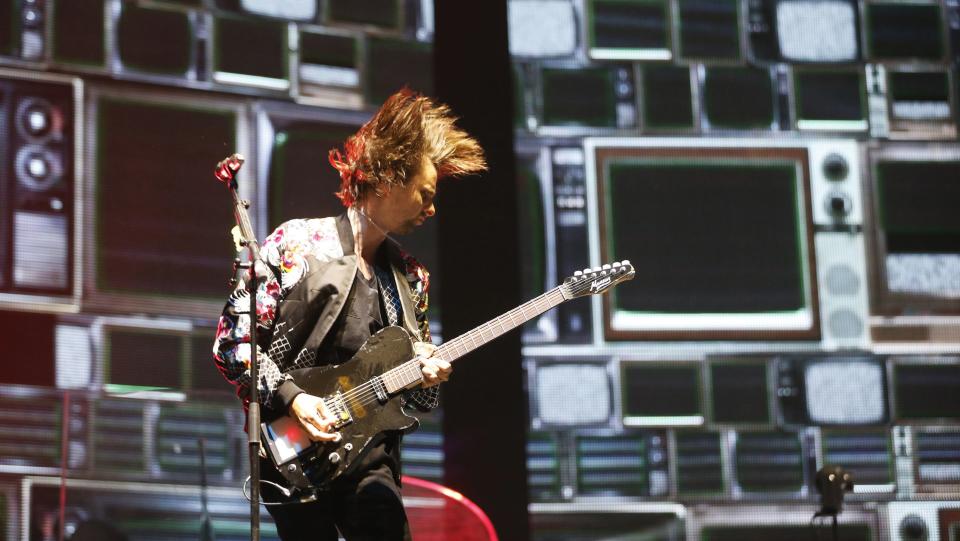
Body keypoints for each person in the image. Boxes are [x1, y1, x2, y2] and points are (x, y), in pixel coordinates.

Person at [212, 88, 487, 540]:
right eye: (424, 193)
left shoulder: (411, 278)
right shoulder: (296, 245)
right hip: (293, 452)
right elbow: (234, 344)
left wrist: (429, 377)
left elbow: (416, 403)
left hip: (372, 465)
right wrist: (295, 399)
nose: (432, 208)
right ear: (385, 180)